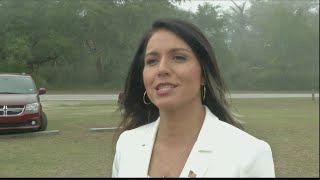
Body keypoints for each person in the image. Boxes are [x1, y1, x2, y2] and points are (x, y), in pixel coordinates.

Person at [112, 18, 275, 178]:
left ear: (203, 74)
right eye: (152, 61)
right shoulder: (127, 145)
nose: (161, 69)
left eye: (178, 58)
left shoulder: (249, 153)